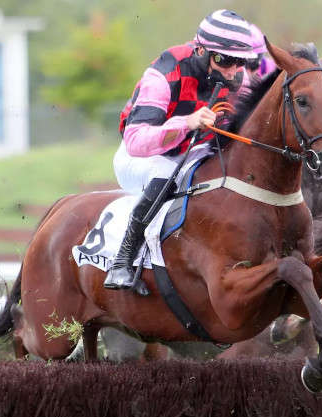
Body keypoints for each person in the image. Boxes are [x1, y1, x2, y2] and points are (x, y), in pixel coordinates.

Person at [104, 9, 259, 293]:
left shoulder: (239, 78)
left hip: (192, 151)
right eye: (224, 60)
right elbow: (135, 141)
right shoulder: (164, 73)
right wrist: (187, 123)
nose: (232, 70)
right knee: (167, 172)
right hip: (142, 157)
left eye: (239, 61)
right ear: (201, 50)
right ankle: (122, 260)